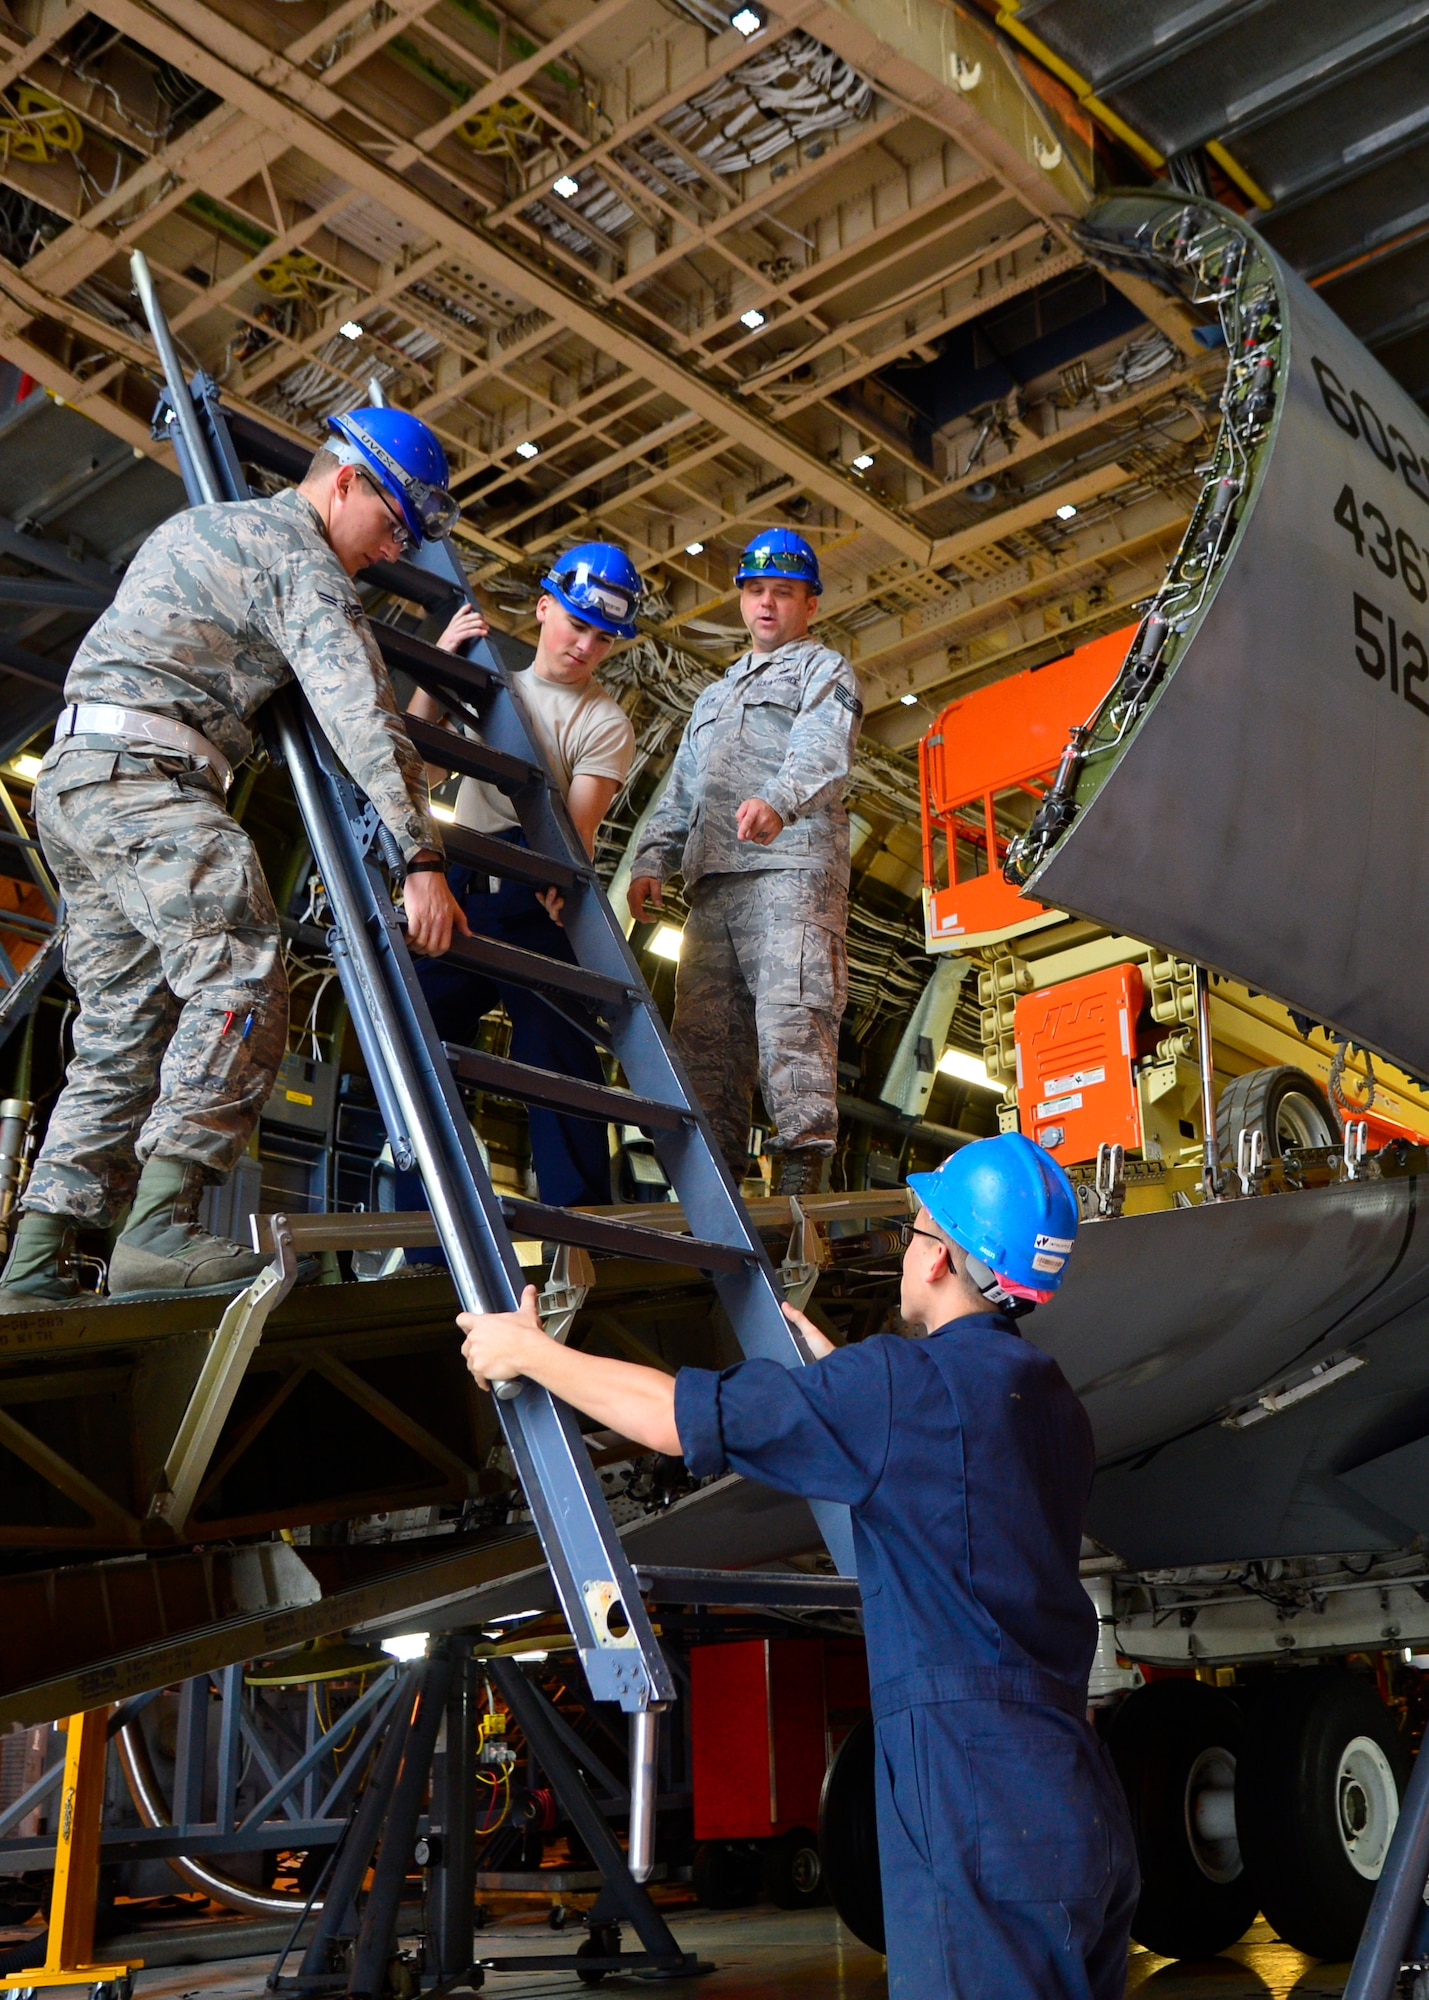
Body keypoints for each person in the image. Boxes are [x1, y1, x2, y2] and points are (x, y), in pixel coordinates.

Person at [455, 1130, 1139, 1999]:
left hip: (974, 1801)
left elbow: (674, 1417)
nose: (906, 1250)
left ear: (938, 1261)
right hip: (1074, 1800)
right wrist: (836, 1386)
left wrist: (530, 1354)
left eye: (915, 1231)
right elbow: (952, 1484)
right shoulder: (1050, 1404)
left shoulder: (897, 1389)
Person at [0, 407, 467, 1307]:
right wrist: (420, 855)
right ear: (345, 482)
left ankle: (29, 1266)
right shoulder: (299, 558)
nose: (389, 551)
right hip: (149, 780)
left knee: (120, 1029)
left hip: (75, 782)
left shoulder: (204, 526)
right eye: (390, 526)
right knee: (245, 972)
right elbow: (359, 713)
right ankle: (157, 1230)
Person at [401, 543, 639, 1211]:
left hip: (534, 890)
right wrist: (437, 670)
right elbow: (413, 765)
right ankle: (415, 1215)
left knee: (556, 1053)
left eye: (601, 637)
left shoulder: (603, 722)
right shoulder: (486, 687)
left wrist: (557, 880)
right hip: (462, 883)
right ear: (542, 609)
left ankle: (580, 1215)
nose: (584, 645)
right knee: (414, 1035)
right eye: (575, 623)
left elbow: (575, 833)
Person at [626, 528, 861, 1197]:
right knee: (703, 1040)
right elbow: (681, 788)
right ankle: (713, 1182)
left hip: (790, 874)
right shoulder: (714, 696)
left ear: (808, 603)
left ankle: (800, 1177)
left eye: (782, 593)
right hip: (712, 889)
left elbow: (822, 750)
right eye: (755, 591)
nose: (765, 605)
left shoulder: (823, 670)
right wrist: (651, 859)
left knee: (791, 1017)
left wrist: (778, 801)